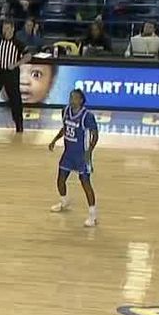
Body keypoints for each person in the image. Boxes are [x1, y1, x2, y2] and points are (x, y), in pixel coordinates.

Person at [48, 89, 99, 227]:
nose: (71, 100)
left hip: (82, 155)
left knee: (85, 183)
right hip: (68, 153)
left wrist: (89, 151)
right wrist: (54, 140)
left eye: (75, 98)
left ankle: (93, 215)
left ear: (81, 100)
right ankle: (64, 202)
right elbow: (65, 128)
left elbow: (95, 135)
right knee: (60, 179)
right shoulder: (65, 111)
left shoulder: (87, 116)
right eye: (70, 97)